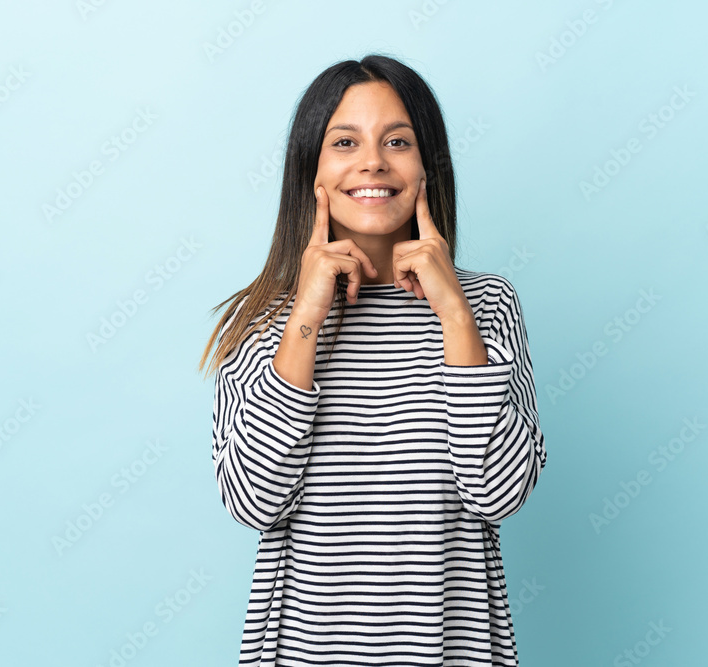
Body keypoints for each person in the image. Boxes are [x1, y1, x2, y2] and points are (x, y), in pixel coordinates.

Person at [198, 53, 547, 667]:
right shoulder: (262, 321)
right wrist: (306, 311)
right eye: (345, 142)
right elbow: (254, 500)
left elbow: (501, 493)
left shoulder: (487, 304)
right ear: (313, 170)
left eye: (397, 141)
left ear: (427, 166)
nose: (373, 162)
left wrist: (455, 316)